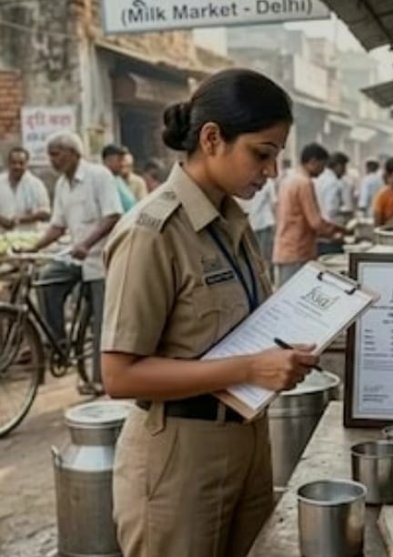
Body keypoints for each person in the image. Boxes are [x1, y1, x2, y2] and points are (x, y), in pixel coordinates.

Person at [102, 69, 318, 557]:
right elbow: (119, 375)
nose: (269, 172)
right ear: (212, 138)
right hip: (179, 457)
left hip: (246, 441)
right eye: (261, 154)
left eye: (276, 157)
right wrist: (250, 368)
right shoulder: (152, 232)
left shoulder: (231, 224)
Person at [29, 131, 122, 395]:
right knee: (45, 280)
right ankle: (59, 343)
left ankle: (100, 380)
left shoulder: (98, 176)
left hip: (100, 258)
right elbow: (57, 226)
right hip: (74, 257)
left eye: (56, 154)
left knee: (101, 320)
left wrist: (87, 243)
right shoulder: (61, 185)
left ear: (73, 153)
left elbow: (113, 215)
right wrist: (33, 247)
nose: (52, 161)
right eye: (50, 155)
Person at [273, 143, 347, 284]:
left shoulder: (288, 180)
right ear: (313, 162)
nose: (322, 170)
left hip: (284, 249)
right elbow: (315, 222)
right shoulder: (304, 183)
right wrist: (337, 231)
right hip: (298, 250)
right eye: (322, 165)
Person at [0, 146, 50, 231]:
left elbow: (46, 213)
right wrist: (1, 220)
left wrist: (20, 220)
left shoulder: (36, 184)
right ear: (8, 163)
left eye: (21, 163)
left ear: (27, 163)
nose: (17, 166)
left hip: (28, 238)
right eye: (14, 163)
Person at [238, 177, 278, 282]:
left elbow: (274, 204)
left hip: (263, 225)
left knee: (264, 258)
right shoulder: (240, 182)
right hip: (251, 225)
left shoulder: (268, 182)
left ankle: (267, 283)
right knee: (258, 259)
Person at [314, 151, 352, 255]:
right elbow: (331, 211)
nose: (345, 171)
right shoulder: (334, 183)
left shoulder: (319, 179)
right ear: (338, 166)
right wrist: (346, 215)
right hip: (331, 234)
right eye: (344, 167)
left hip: (319, 233)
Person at [102, 144, 137, 212]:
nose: (123, 164)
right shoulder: (103, 181)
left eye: (123, 160)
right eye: (119, 160)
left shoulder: (118, 179)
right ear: (108, 161)